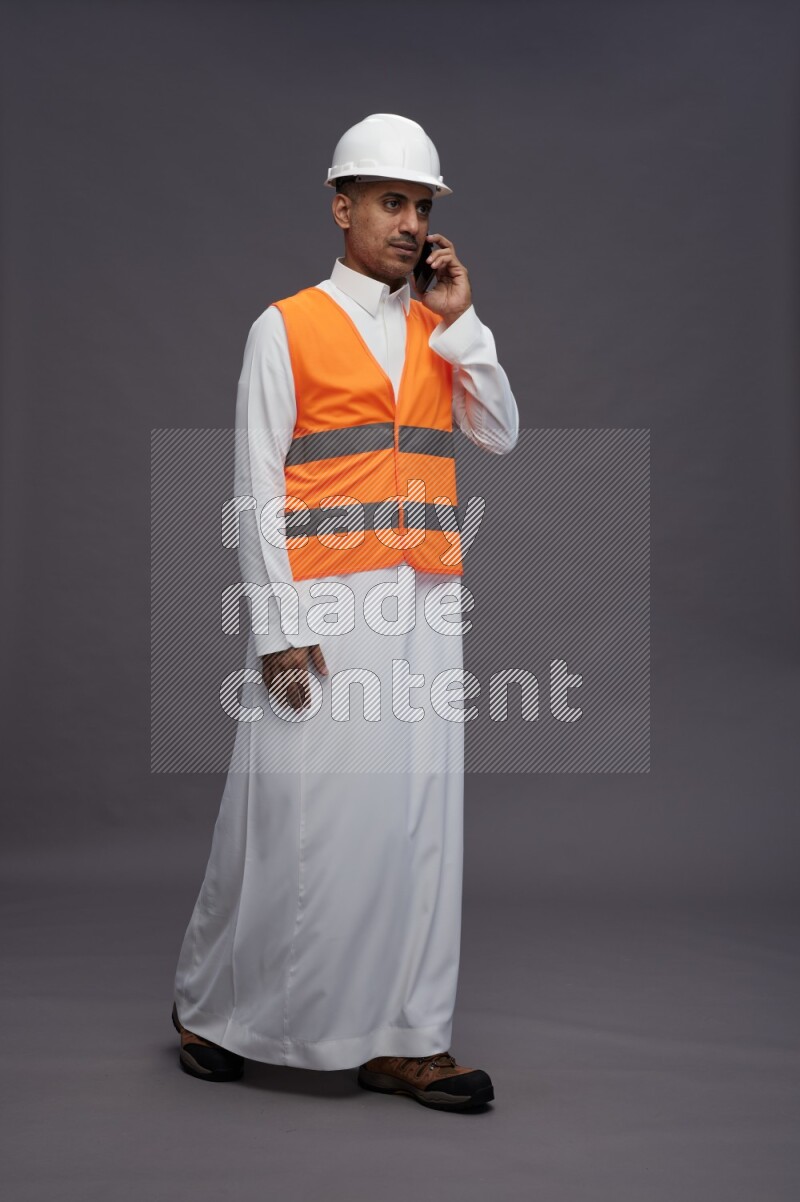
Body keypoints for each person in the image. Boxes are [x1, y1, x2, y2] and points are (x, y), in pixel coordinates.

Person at [171, 113, 519, 1113]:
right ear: (343, 207)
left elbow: (495, 429)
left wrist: (463, 320)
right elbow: (252, 485)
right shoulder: (283, 325)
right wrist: (276, 626)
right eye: (390, 202)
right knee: (290, 819)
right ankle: (212, 1006)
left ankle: (406, 1037)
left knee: (414, 822)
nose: (408, 223)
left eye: (420, 206)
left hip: (421, 603)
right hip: (320, 605)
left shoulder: (435, 327)